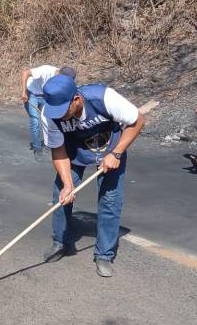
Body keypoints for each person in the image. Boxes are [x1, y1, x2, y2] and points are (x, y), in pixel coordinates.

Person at [41, 75, 144, 277]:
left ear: (76, 99)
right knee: (60, 196)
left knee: (110, 200)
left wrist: (116, 153)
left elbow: (138, 120)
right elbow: (58, 150)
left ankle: (104, 255)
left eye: (64, 111)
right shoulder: (49, 114)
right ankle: (60, 242)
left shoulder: (103, 97)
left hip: (111, 151)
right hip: (73, 153)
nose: (60, 117)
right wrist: (68, 184)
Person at [20, 65, 77, 161]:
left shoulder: (64, 81)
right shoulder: (45, 70)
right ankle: (37, 148)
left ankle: (50, 144)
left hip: (46, 95)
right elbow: (25, 72)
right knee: (35, 120)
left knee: (51, 119)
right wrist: (24, 92)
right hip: (32, 94)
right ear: (59, 75)